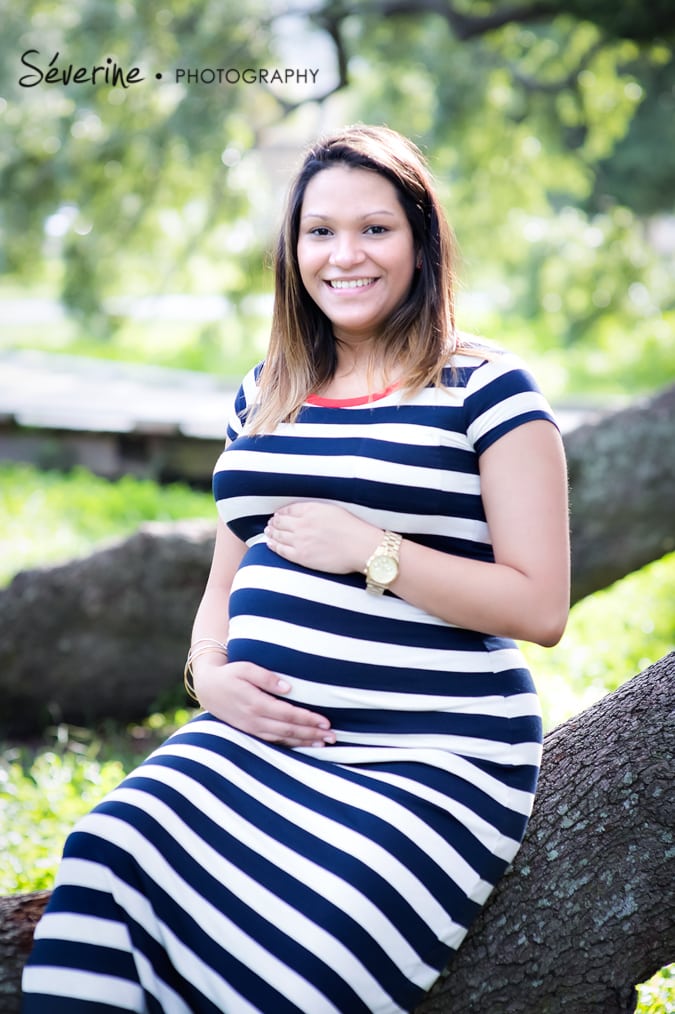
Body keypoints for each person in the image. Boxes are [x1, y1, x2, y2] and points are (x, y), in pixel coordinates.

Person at [22, 124, 569, 1013]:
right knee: (107, 853)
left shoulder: (486, 389)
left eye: (374, 229)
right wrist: (209, 675)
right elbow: (223, 583)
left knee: (290, 960)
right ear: (292, 248)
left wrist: (368, 551)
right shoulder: (266, 388)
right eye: (319, 231)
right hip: (252, 743)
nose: (343, 255)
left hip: (427, 757)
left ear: (421, 241)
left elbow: (539, 605)